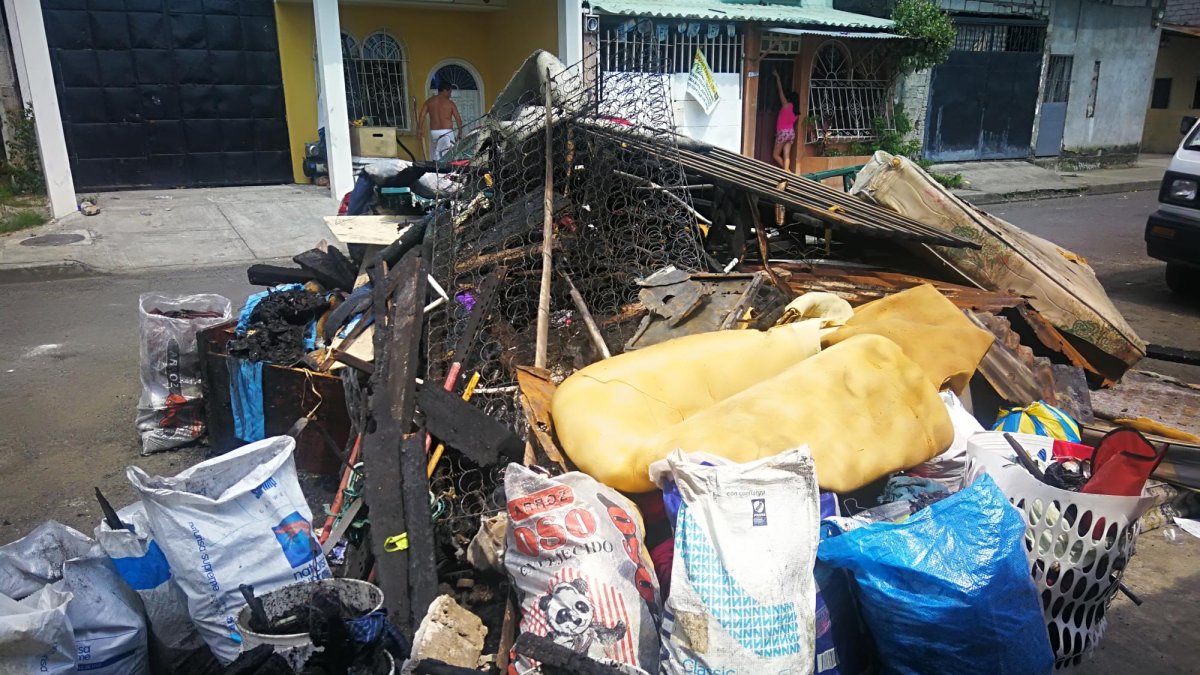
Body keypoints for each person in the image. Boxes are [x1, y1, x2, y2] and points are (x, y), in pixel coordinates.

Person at [416, 82, 463, 160]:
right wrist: (460, 133)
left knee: (436, 155)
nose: (450, 95)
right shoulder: (450, 103)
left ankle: (436, 170)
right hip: (447, 132)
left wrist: (419, 129)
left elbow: (422, 115)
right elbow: (458, 119)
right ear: (445, 91)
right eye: (450, 92)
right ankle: (446, 171)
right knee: (449, 156)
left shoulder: (429, 102)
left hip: (434, 132)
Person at [772, 71, 800, 172]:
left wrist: (777, 77)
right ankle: (788, 173)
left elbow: (780, 91)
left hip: (782, 132)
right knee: (786, 155)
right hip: (791, 133)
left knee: (775, 155)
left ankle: (788, 173)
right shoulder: (797, 112)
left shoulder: (786, 105)